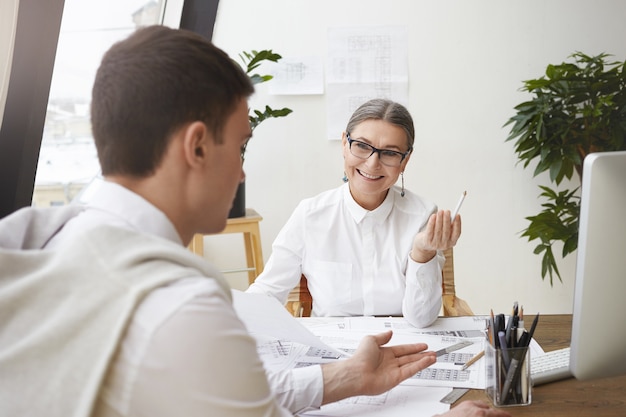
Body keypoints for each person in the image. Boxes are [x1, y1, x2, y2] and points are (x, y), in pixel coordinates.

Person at [0, 26, 509, 417]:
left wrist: (346, 378)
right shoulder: (185, 305)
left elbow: (243, 391)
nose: (243, 170)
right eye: (241, 145)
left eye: (390, 154)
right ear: (197, 146)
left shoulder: (27, 240)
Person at [247, 98, 461, 327]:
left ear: (405, 161)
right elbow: (268, 292)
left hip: (400, 350)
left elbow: (421, 319)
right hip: (333, 354)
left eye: (389, 153)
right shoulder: (310, 215)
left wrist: (421, 252)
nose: (372, 164)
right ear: (344, 144)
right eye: (361, 145)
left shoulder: (422, 216)